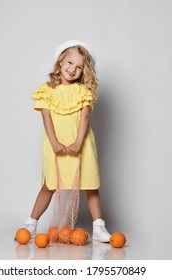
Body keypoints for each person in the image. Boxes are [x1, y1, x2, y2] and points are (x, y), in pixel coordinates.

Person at [24, 40, 111, 242]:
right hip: (55, 146)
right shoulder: (46, 90)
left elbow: (84, 118)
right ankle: (31, 224)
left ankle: (98, 227)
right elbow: (46, 118)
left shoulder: (84, 92)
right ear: (61, 61)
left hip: (82, 145)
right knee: (49, 185)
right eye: (70, 63)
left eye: (79, 67)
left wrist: (78, 143)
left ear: (84, 71)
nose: (73, 69)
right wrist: (55, 143)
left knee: (90, 184)